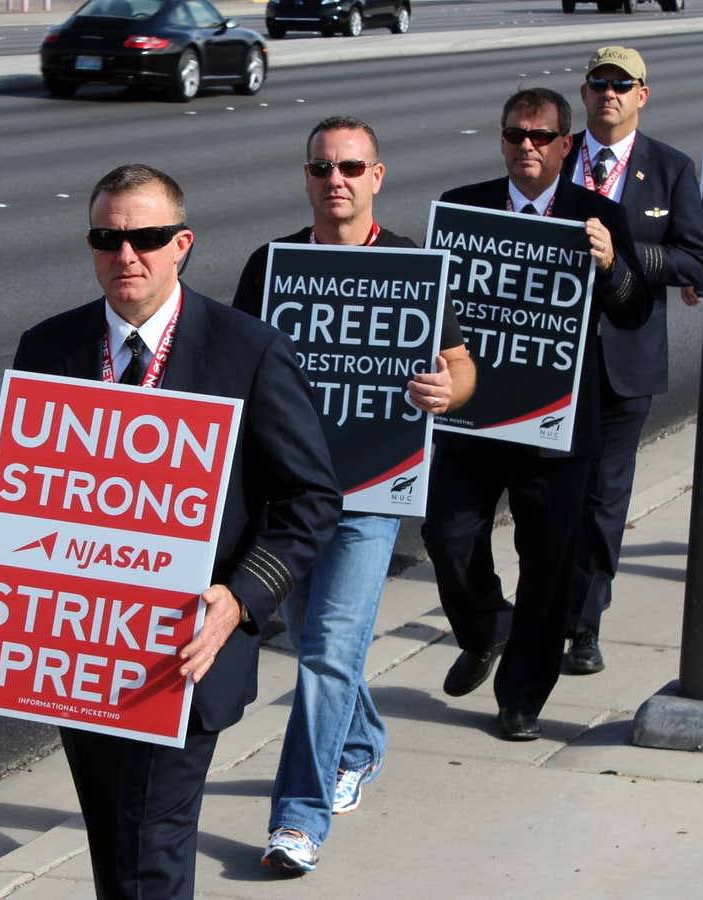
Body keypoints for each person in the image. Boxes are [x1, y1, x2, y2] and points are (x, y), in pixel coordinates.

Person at [0, 164, 341, 898]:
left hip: (184, 659)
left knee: (153, 855)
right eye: (108, 237)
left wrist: (241, 597)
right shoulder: (49, 348)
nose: (128, 255)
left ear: (182, 243)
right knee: (116, 854)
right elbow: (2, 498)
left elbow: (310, 498)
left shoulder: (245, 351)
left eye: (148, 238)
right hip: (78, 659)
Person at [229, 116, 476, 873]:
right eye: (321, 167)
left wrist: (447, 389)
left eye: (350, 166)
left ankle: (297, 822)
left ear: (377, 176)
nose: (335, 179)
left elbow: (464, 369)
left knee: (329, 653)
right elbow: (234, 370)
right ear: (307, 178)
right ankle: (361, 743)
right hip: (288, 500)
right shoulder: (271, 266)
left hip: (371, 496)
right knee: (314, 646)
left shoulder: (412, 266)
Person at [423, 88, 650, 741]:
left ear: (566, 146)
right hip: (473, 418)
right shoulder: (464, 208)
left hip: (555, 424)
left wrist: (609, 266)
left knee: (548, 564)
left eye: (541, 137)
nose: (527, 145)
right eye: (516, 134)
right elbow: (432, 304)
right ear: (502, 140)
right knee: (447, 535)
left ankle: (522, 697)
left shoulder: (597, 214)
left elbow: (634, 310)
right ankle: (485, 624)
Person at [558, 47, 703, 673]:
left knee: (603, 496)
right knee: (544, 492)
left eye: (622, 85)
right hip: (551, 358)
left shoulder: (669, 169)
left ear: (642, 95)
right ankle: (535, 604)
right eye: (598, 83)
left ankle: (583, 624)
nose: (609, 94)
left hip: (627, 359)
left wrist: (621, 258)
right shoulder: (554, 156)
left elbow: (694, 261)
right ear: (586, 92)